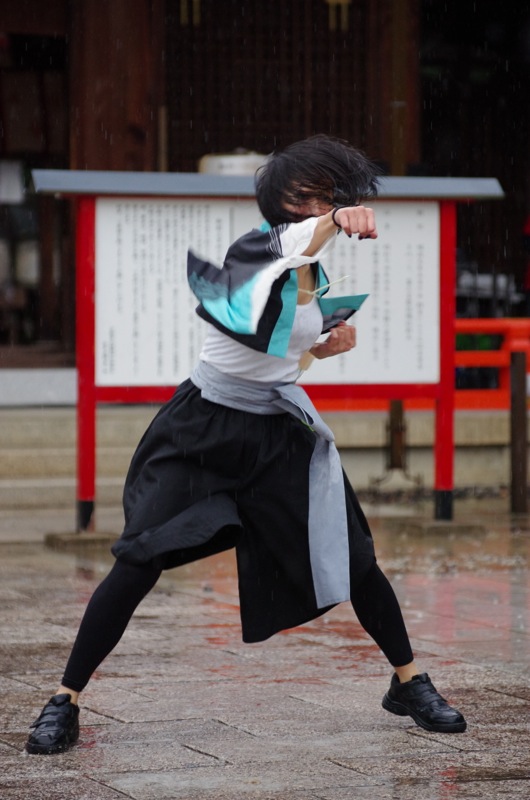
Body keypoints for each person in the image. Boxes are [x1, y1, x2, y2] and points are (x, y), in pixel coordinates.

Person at [25, 135, 466, 755]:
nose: (318, 203)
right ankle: (64, 699)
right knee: (139, 558)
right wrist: (336, 220)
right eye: (307, 195)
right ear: (280, 202)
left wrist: (321, 349)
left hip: (278, 432)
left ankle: (409, 681)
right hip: (202, 429)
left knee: (353, 557)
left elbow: (281, 358)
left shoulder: (314, 269)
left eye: (327, 195)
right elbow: (296, 243)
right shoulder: (256, 248)